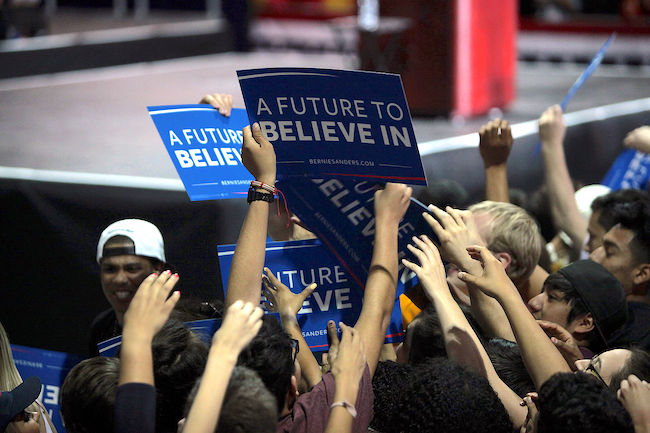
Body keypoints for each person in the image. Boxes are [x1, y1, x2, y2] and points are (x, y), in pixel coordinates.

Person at [222, 122, 412, 433]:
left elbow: (238, 310)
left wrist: (263, 183)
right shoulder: (322, 415)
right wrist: (388, 221)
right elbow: (377, 314)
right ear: (294, 389)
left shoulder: (212, 421)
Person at [527, 260, 628, 355]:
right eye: (542, 291)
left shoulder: (571, 369)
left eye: (552, 297)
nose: (533, 302)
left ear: (584, 323)